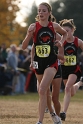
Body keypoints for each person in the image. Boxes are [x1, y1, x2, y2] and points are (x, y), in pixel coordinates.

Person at [22, 2, 67, 124]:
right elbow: (24, 47)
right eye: (39, 10)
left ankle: (40, 121)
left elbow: (65, 33)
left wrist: (61, 42)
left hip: (51, 62)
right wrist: (28, 34)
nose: (41, 13)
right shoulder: (33, 26)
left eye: (43, 10)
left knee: (42, 90)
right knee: (44, 92)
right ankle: (53, 115)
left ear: (49, 13)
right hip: (38, 62)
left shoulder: (54, 26)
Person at [59, 19, 83, 121]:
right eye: (63, 31)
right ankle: (79, 84)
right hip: (64, 69)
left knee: (67, 88)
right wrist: (61, 58)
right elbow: (57, 54)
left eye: (67, 31)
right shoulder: (61, 42)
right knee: (71, 91)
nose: (65, 33)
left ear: (72, 30)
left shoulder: (78, 41)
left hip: (74, 69)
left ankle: (63, 112)